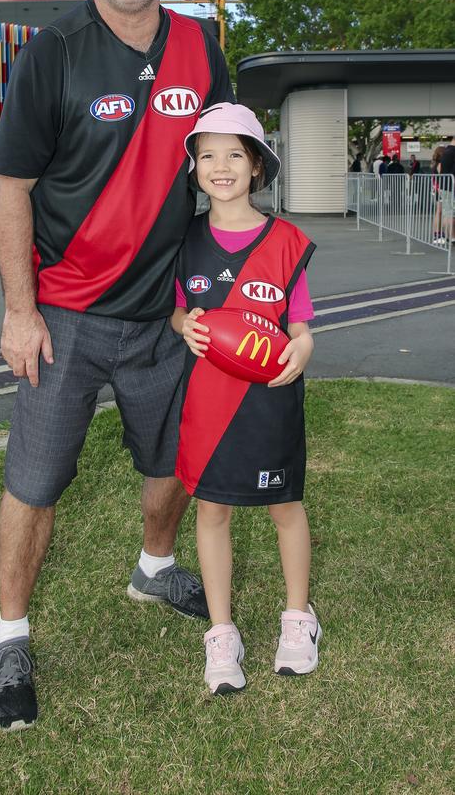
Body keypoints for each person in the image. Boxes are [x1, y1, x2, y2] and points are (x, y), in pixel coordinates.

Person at [0, 0, 235, 730]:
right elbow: (10, 185)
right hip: (64, 317)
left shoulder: (204, 49)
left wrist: (235, 274)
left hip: (164, 315)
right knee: (36, 480)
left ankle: (154, 568)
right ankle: (10, 635)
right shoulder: (53, 50)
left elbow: (224, 168)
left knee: (170, 467)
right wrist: (21, 310)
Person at [171, 103, 320, 695]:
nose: (221, 166)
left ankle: (298, 617)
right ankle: (221, 630)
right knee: (212, 511)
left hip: (270, 403)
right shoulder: (185, 241)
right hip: (209, 406)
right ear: (195, 169)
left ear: (257, 166)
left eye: (235, 153)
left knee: (285, 506)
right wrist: (184, 323)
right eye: (207, 155)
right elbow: (179, 307)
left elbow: (302, 324)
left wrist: (302, 350)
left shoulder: (285, 243)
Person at [437, 134, 455, 242]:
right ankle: (452, 237)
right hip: (451, 187)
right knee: (451, 213)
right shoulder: (453, 153)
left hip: (444, 186)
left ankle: (449, 236)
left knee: (447, 212)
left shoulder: (446, 152)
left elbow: (440, 168)